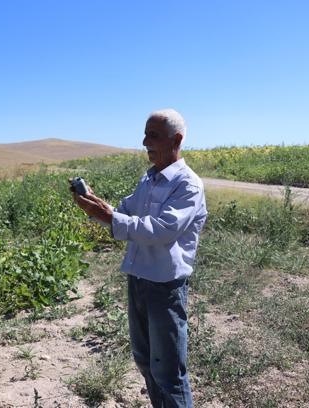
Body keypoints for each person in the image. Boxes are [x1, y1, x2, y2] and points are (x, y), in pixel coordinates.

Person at [72, 109, 207, 408]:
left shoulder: (188, 184)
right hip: (139, 280)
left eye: (153, 135)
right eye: (145, 134)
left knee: (169, 372)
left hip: (165, 286)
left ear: (177, 140)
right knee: (146, 362)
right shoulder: (149, 179)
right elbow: (126, 213)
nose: (145, 141)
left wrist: (108, 217)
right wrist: (97, 205)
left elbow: (162, 231)